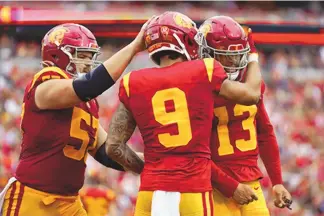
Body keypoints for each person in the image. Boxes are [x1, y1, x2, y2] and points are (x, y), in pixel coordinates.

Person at [104, 11, 261, 216]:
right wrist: (253, 57)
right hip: (192, 191)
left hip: (150, 191)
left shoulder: (131, 81)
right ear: (186, 40)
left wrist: (151, 168)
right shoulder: (204, 70)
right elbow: (251, 95)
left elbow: (113, 147)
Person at [0, 21, 149, 216]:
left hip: (69, 202)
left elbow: (108, 152)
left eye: (90, 57)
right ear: (57, 56)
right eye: (83, 56)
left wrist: (157, 164)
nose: (88, 63)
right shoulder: (45, 81)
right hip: (33, 199)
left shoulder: (87, 103)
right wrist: (134, 47)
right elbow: (88, 86)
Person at [195, 15, 292, 215]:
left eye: (237, 55)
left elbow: (265, 133)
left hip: (250, 183)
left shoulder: (253, 85)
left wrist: (277, 182)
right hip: (214, 186)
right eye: (224, 55)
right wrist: (230, 186)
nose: (232, 61)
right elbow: (194, 153)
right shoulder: (197, 89)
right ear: (207, 54)